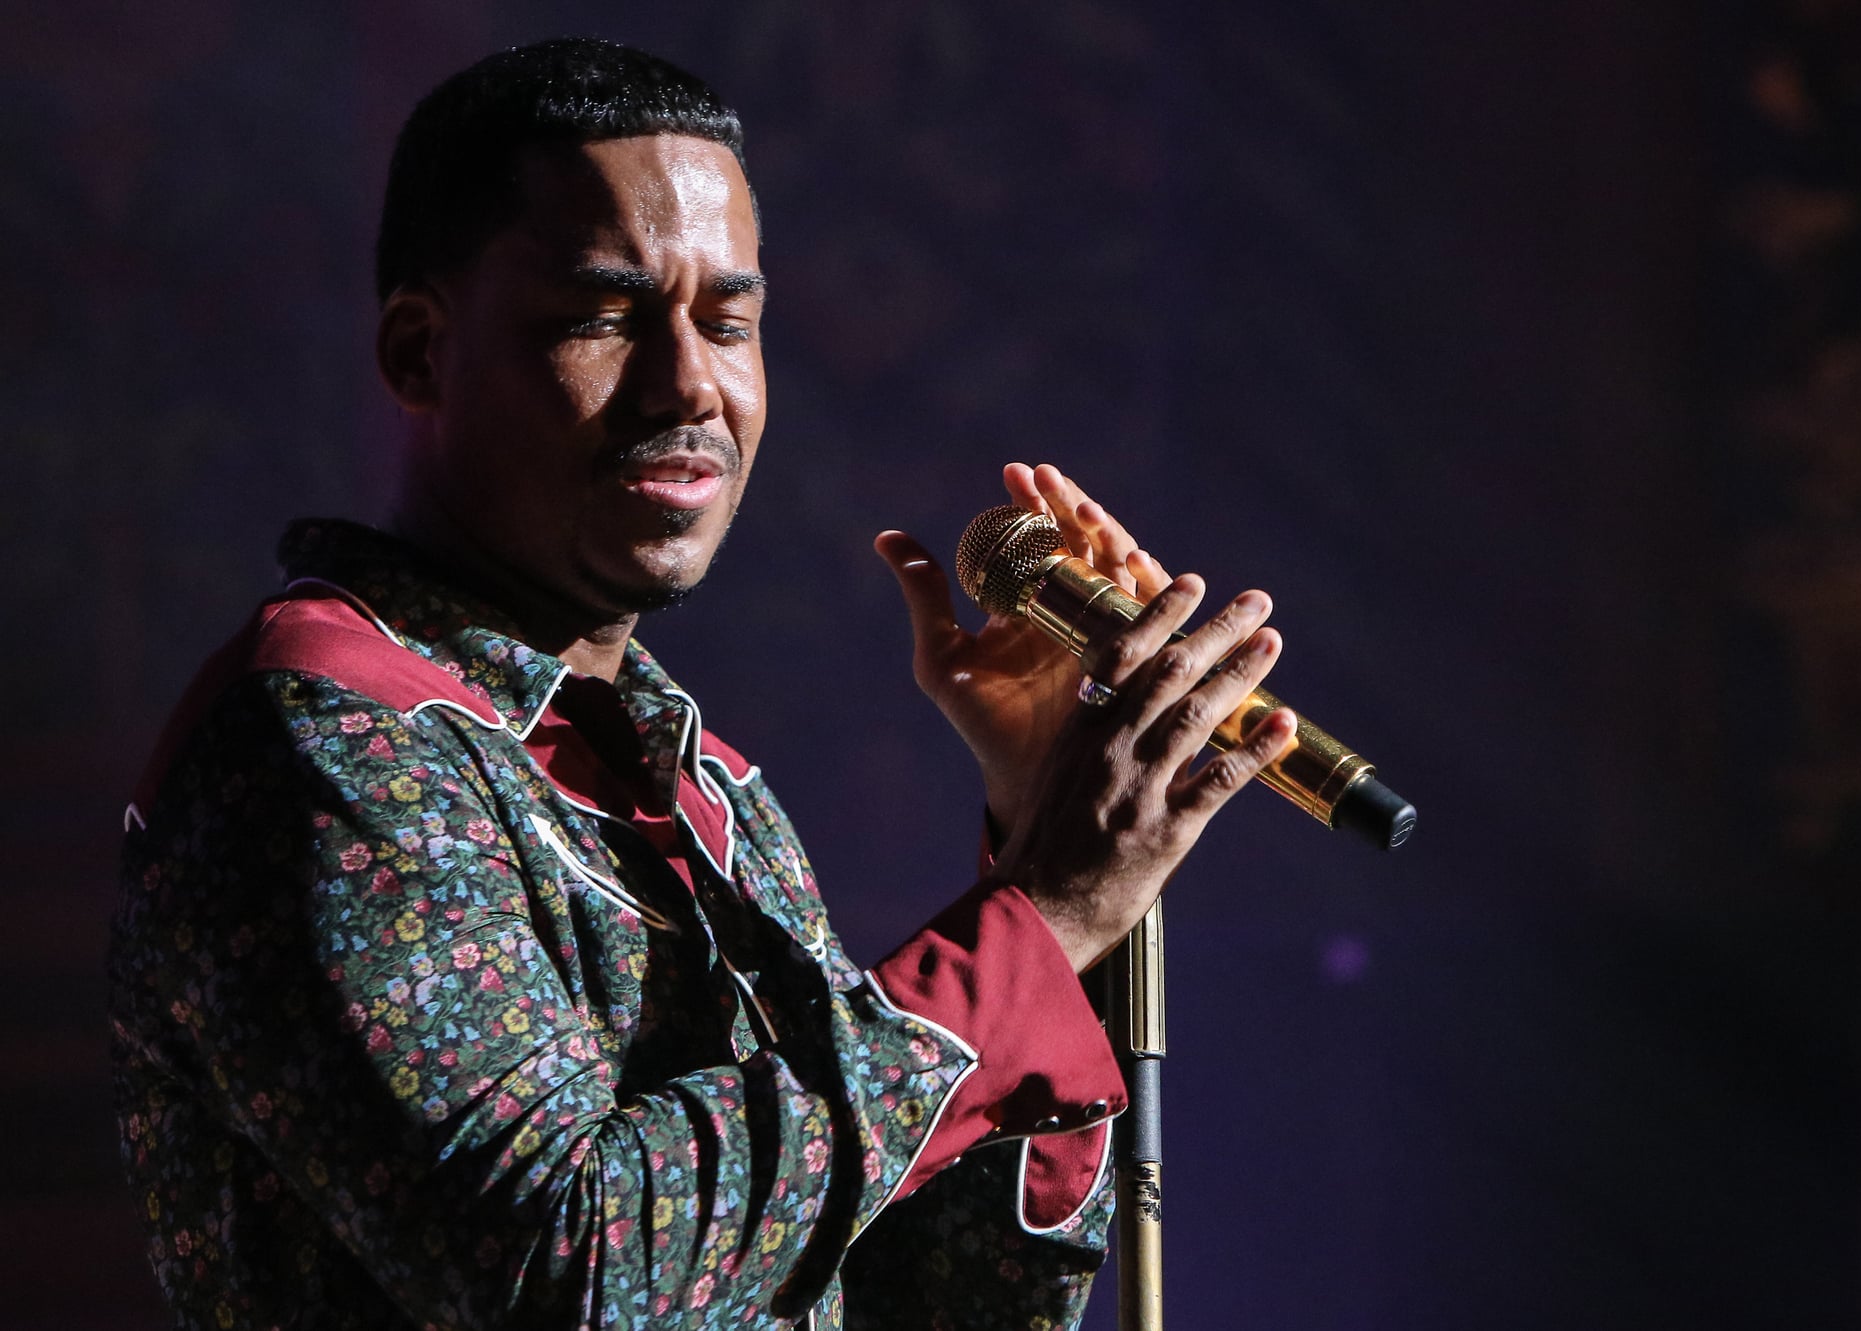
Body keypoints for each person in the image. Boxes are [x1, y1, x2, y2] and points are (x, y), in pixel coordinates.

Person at [109, 37, 1296, 1331]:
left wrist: (1041, 858)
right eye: (605, 316)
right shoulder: (329, 746)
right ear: (416, 352)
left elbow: (924, 1303)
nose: (692, 385)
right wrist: (1041, 920)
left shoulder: (708, 792)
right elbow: (568, 1275)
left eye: (728, 321)